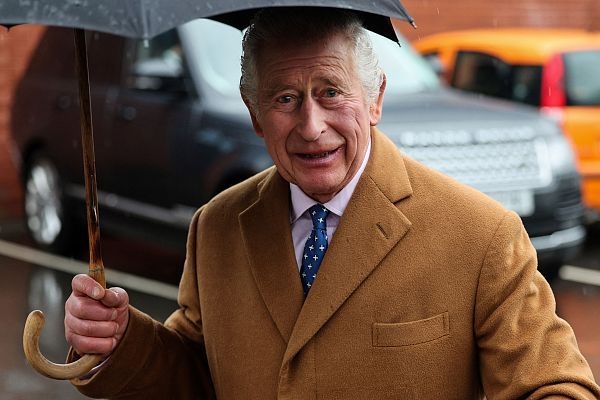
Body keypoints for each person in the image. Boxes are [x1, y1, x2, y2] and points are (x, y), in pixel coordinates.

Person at [64, 7, 600, 399]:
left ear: (375, 99)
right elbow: (197, 375)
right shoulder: (217, 227)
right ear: (255, 115)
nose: (311, 126)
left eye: (331, 92)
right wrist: (122, 342)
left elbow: (555, 388)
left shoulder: (480, 235)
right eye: (285, 99)